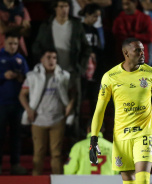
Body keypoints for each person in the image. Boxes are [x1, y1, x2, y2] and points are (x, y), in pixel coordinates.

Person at [89, 38, 152, 184]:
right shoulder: (110, 77)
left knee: (142, 179)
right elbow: (99, 110)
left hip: (144, 132)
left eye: (142, 49)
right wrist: (93, 138)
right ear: (126, 53)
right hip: (122, 134)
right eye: (138, 50)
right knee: (128, 180)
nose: (143, 53)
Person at [32, 0, 91, 137]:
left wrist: (81, 68)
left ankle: (73, 143)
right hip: (53, 74)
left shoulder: (76, 24)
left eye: (66, 6)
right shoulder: (47, 25)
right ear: (55, 8)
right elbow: (36, 47)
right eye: (61, 6)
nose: (64, 9)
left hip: (72, 72)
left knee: (74, 107)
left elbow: (86, 48)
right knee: (52, 106)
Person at [19, 48, 75, 175]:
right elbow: (22, 95)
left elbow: (73, 93)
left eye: (54, 58)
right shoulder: (33, 77)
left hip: (57, 120)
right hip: (38, 120)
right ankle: (36, 180)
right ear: (42, 59)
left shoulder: (64, 76)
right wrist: (28, 110)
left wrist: (69, 106)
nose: (52, 61)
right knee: (38, 153)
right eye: (48, 57)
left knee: (56, 154)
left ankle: (58, 181)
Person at [0, 32, 28, 175]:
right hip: (1, 104)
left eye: (15, 44)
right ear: (4, 43)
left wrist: (20, 77)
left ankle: (15, 164)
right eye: (10, 43)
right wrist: (3, 76)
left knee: (16, 136)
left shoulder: (20, 59)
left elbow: (28, 79)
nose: (13, 46)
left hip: (17, 105)